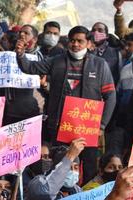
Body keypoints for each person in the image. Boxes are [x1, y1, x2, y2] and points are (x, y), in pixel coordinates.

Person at [16, 25, 116, 184]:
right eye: (72, 41)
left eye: (80, 41)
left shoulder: (100, 65)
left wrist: (101, 126)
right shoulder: (56, 61)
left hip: (87, 130)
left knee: (88, 170)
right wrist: (20, 54)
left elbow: (110, 96)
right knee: (60, 169)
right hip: (59, 129)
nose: (75, 44)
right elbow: (30, 67)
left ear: (89, 43)